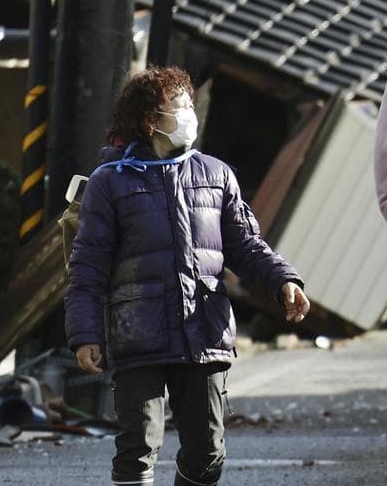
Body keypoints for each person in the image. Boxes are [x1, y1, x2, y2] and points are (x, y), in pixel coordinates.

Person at [64, 66, 310, 486]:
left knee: (207, 453)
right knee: (137, 449)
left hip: (203, 330)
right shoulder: (110, 183)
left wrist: (283, 280)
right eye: (178, 108)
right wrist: (85, 334)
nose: (189, 115)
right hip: (137, 333)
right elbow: (87, 266)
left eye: (189, 105)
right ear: (149, 121)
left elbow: (247, 246)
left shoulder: (216, 175)